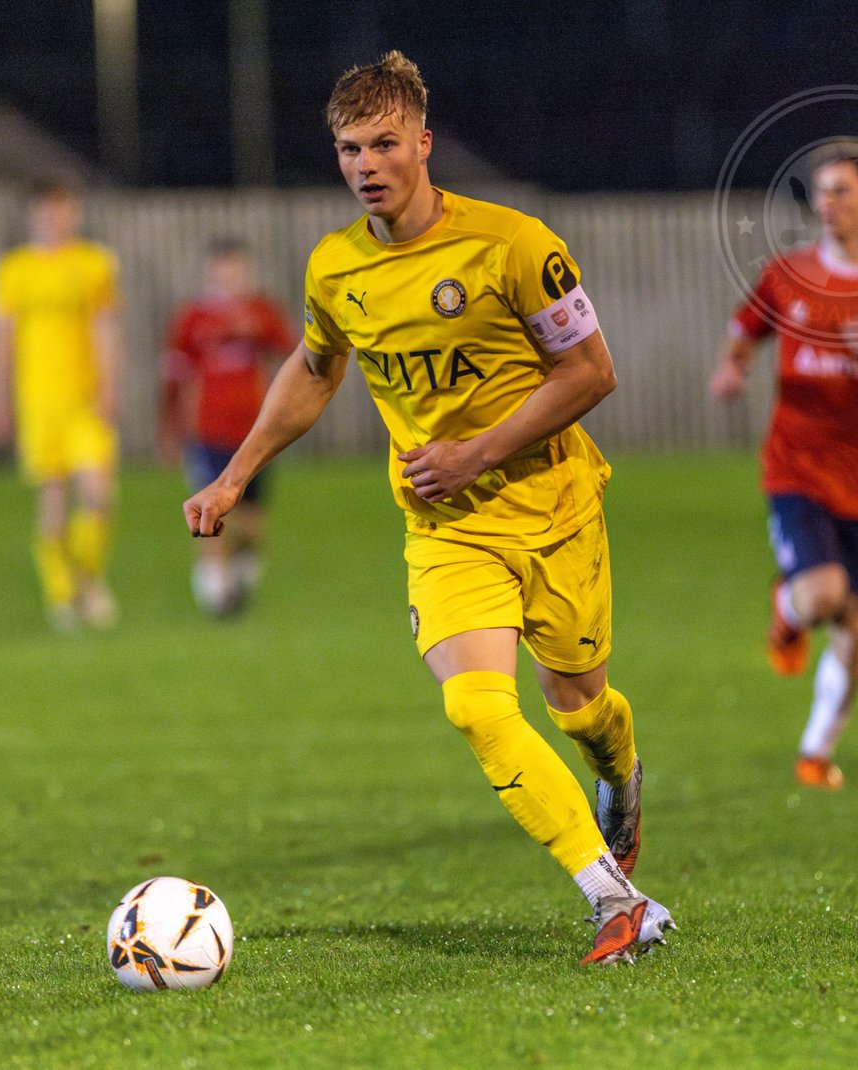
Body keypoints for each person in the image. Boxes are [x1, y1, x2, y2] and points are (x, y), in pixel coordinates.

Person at [184, 52, 675, 966]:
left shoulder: (515, 244)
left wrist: (477, 453)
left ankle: (621, 772)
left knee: (579, 706)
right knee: (477, 709)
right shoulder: (336, 268)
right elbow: (313, 367)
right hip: (447, 529)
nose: (365, 164)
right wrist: (234, 474)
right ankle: (618, 900)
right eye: (346, 148)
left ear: (423, 143)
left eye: (382, 143)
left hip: (556, 508)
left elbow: (592, 372)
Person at [710, 141, 858, 789]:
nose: (828, 203)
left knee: (856, 624)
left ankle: (816, 752)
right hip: (797, 466)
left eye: (842, 190)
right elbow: (747, 327)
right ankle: (788, 610)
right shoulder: (787, 276)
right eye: (819, 192)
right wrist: (733, 365)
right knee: (822, 595)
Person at [0, 183, 123, 631]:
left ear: (74, 214)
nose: (54, 221)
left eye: (61, 212)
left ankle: (88, 580)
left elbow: (106, 327)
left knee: (99, 494)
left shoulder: (93, 264)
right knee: (53, 500)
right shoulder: (14, 270)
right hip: (38, 401)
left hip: (83, 399)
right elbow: (2, 340)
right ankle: (61, 595)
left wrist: (109, 384)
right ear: (33, 217)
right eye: (45, 213)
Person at [159, 239, 296, 615]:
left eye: (236, 269)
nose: (229, 276)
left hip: (254, 434)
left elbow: (294, 356)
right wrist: (170, 431)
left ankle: (239, 576)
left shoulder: (261, 312)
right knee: (211, 514)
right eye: (222, 268)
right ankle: (215, 594)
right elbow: (174, 376)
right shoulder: (192, 319)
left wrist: (256, 332)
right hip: (207, 432)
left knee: (251, 524)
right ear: (210, 270)